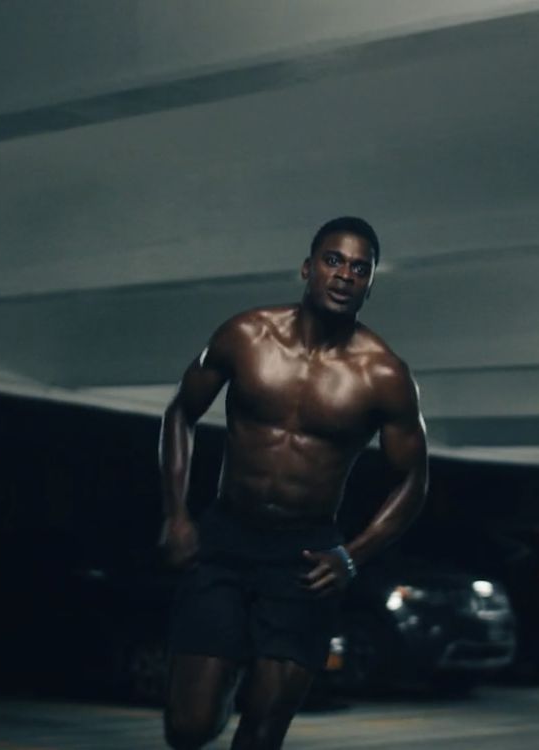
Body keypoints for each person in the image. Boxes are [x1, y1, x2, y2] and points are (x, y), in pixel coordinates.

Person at [158, 216, 428, 749]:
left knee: (262, 728)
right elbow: (179, 415)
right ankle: (226, 677)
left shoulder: (383, 374)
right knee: (188, 727)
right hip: (225, 541)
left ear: (370, 284)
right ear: (307, 268)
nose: (345, 275)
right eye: (333, 260)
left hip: (306, 558)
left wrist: (354, 555)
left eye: (359, 267)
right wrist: (177, 514)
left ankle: (251, 687)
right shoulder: (246, 335)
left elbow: (414, 481)